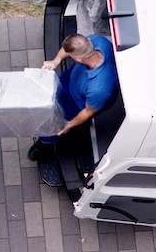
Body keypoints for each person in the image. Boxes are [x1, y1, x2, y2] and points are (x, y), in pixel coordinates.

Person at [29, 33, 119, 161]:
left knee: (55, 125)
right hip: (71, 81)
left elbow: (88, 112)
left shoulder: (100, 89)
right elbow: (68, 49)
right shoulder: (97, 41)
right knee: (52, 98)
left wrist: (69, 125)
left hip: (77, 105)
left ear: (79, 60)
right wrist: (56, 61)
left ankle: (46, 144)